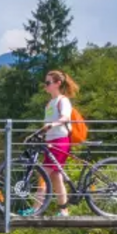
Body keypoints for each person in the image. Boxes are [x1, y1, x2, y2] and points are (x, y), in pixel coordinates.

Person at [37, 71, 79, 213]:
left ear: (57, 84)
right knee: (56, 177)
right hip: (50, 142)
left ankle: (34, 209)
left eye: (48, 83)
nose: (46, 86)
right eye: (46, 83)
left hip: (60, 141)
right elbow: (47, 124)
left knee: (43, 173)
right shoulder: (49, 104)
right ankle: (64, 211)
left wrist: (52, 125)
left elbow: (65, 117)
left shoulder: (63, 100)